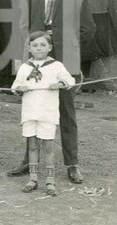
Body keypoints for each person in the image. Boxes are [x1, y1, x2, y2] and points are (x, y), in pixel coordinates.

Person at [8, 0, 95, 185]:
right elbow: (24, 27)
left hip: (66, 60)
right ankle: (29, 162)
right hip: (36, 60)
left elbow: (89, 29)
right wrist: (36, 49)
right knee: (33, 110)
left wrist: (65, 45)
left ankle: (72, 164)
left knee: (66, 111)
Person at [11, 31, 76, 196]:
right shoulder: (25, 67)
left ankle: (50, 181)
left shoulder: (56, 66)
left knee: (48, 146)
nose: (38, 49)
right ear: (29, 48)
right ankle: (33, 179)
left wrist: (60, 83)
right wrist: (20, 88)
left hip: (48, 112)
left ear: (50, 48)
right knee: (32, 145)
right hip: (30, 112)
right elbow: (15, 85)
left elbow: (70, 80)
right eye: (34, 45)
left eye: (42, 45)